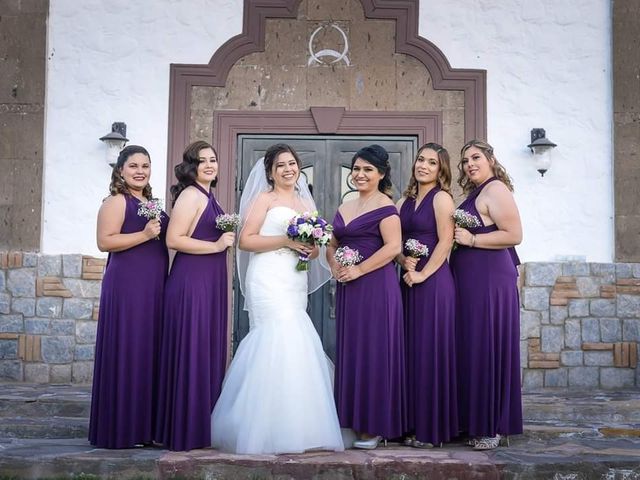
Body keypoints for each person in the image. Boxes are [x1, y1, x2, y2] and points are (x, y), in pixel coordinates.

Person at [211, 143, 343, 455]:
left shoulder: (302, 200)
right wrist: (285, 239)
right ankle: (257, 426)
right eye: (281, 165)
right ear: (270, 172)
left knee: (295, 340)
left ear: (299, 168)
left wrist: (310, 250)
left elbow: (311, 246)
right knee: (276, 335)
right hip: (268, 278)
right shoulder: (264, 198)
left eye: (292, 164)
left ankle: (296, 425)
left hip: (293, 278)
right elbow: (246, 240)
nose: (288, 169)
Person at [155, 140, 235, 451]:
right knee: (193, 350)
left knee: (205, 351)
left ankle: (199, 424)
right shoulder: (190, 195)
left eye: (213, 159)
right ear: (192, 167)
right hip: (192, 283)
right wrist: (216, 246)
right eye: (202, 161)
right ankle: (185, 430)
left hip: (209, 281)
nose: (210, 165)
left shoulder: (208, 195)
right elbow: (174, 239)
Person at [89, 145, 169, 448]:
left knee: (148, 352)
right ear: (120, 170)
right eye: (133, 165)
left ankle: (144, 427)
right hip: (127, 286)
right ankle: (121, 428)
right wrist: (145, 235)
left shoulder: (150, 202)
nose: (140, 171)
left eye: (145, 166)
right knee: (129, 350)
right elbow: (104, 241)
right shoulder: (116, 201)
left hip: (154, 286)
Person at [327, 144, 405, 449]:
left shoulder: (387, 207)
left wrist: (359, 270)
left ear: (381, 174)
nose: (360, 174)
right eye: (356, 169)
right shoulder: (345, 206)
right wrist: (334, 265)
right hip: (349, 289)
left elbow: (393, 247)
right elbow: (332, 243)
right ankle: (354, 421)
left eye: (367, 170)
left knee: (375, 351)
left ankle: (375, 425)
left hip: (376, 288)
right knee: (353, 351)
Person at [450, 139, 523, 450]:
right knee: (472, 346)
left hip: (489, 279)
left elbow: (514, 235)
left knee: (485, 346)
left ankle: (489, 426)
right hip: (471, 279)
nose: (470, 164)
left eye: (476, 157)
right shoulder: (476, 194)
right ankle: (471, 420)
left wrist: (471, 240)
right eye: (465, 160)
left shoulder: (496, 190)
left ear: (491, 159)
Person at [396, 142, 458, 448]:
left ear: (440, 169)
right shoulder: (403, 201)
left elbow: (446, 243)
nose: (423, 166)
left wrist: (422, 273)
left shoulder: (442, 199)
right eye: (421, 160)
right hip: (406, 281)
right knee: (409, 353)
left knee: (429, 352)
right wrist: (401, 260)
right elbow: (392, 240)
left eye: (431, 163)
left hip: (433, 283)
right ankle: (409, 424)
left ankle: (431, 430)